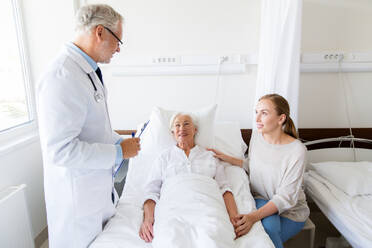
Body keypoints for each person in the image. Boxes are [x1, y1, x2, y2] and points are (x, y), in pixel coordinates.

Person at [36, 4, 140, 248]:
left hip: (94, 193)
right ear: (100, 32)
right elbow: (60, 151)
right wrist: (119, 152)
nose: (118, 49)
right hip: (75, 201)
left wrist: (119, 141)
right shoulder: (61, 76)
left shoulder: (88, 71)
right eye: (118, 42)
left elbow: (93, 128)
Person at [209, 94, 309, 248]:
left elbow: (285, 198)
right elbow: (253, 165)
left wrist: (252, 217)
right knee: (264, 231)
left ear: (281, 118)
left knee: (268, 232)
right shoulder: (257, 136)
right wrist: (226, 157)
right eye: (256, 112)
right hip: (262, 198)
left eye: (264, 113)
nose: (257, 119)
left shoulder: (297, 150)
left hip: (291, 212)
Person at [139, 113, 239, 243]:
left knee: (213, 235)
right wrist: (148, 219)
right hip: (172, 211)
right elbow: (151, 192)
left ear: (195, 129)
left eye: (186, 124)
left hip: (207, 208)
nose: (182, 128)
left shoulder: (210, 156)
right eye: (177, 125)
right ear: (173, 132)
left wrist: (234, 216)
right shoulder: (164, 158)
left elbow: (224, 188)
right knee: (170, 238)